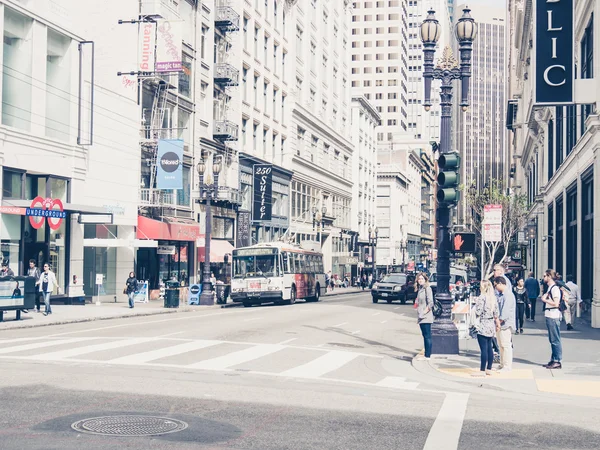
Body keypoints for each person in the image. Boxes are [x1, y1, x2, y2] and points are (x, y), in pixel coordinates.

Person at [472, 280, 500, 377]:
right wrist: (497, 324)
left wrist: (475, 305)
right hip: (490, 323)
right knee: (489, 348)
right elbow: (496, 313)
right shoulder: (493, 298)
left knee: (483, 348)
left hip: (483, 323)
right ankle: (489, 368)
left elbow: (478, 312)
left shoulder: (482, 297)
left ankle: (482, 370)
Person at [541, 269, 563, 369]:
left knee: (555, 339)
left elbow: (556, 303)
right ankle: (553, 359)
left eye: (545, 276)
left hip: (553, 316)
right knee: (552, 339)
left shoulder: (554, 288)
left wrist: (545, 300)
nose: (544, 278)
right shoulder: (550, 287)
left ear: (549, 276)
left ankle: (557, 360)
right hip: (550, 315)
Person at [493, 276, 516, 372]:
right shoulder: (502, 295)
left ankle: (507, 365)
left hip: (505, 324)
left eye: (496, 285)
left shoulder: (508, 295)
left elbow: (505, 311)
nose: (495, 288)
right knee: (501, 345)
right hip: (501, 323)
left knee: (506, 345)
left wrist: (499, 321)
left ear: (501, 284)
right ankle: (502, 364)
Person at [414, 272, 434, 361]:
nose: (420, 280)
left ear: (425, 279)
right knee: (425, 335)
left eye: (422, 279)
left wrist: (423, 313)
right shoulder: (420, 289)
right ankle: (427, 354)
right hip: (421, 316)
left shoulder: (427, 288)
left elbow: (430, 303)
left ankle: (427, 356)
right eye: (419, 279)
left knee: (427, 336)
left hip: (426, 316)